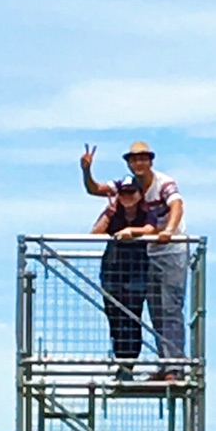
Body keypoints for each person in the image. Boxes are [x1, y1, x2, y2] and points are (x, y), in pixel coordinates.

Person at [81, 139, 186, 366]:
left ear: (150, 161)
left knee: (169, 309)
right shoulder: (127, 186)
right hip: (145, 255)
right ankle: (164, 364)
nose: (138, 163)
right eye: (134, 159)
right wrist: (86, 170)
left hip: (169, 251)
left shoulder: (164, 183)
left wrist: (168, 230)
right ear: (128, 164)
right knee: (151, 311)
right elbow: (94, 189)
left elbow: (177, 205)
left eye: (143, 158)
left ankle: (174, 366)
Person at [93, 176, 158, 369]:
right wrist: (108, 214)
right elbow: (95, 233)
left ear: (139, 195)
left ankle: (129, 363)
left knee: (132, 315)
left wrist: (131, 231)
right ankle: (120, 360)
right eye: (123, 193)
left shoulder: (146, 213)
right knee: (114, 315)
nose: (127, 197)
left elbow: (150, 228)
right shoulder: (114, 212)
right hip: (112, 270)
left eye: (131, 192)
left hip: (137, 270)